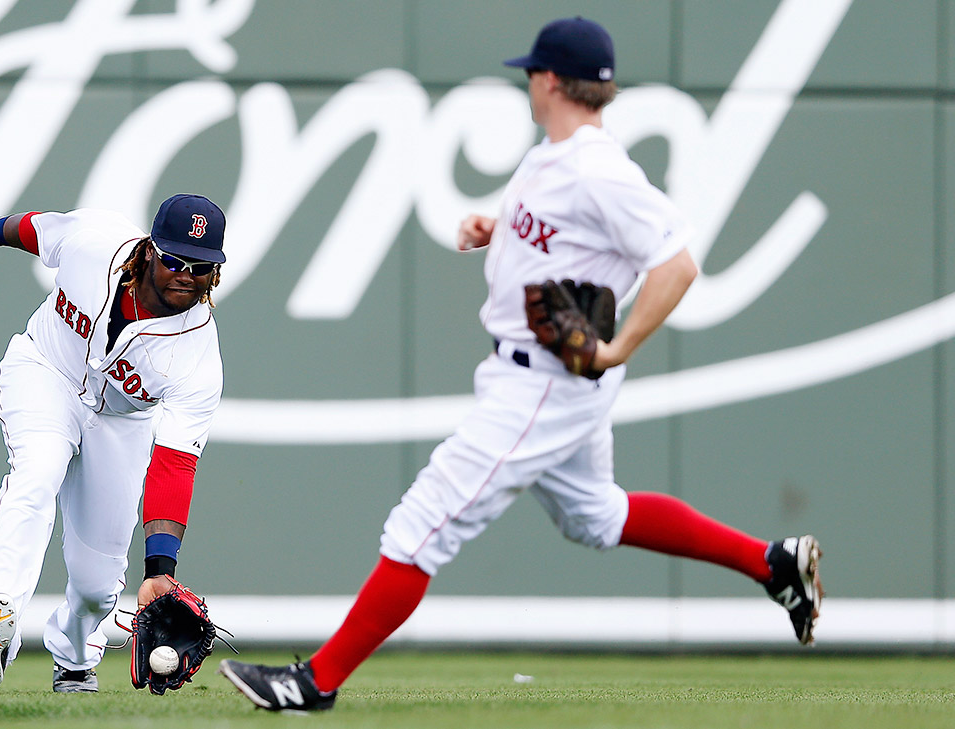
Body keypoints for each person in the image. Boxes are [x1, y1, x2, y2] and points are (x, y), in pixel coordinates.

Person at [219, 17, 822, 712]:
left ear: (547, 80)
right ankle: (772, 563)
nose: (528, 84)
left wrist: (618, 346)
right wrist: (496, 229)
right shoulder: (554, 157)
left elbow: (678, 262)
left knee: (420, 525)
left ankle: (313, 681)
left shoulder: (598, 169)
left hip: (545, 382)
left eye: (531, 74)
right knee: (595, 515)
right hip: (532, 373)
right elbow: (564, 238)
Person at [0, 194, 227, 693]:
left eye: (200, 267)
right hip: (46, 370)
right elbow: (36, 230)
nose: (185, 275)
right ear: (151, 250)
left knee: (96, 584)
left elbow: (175, 464)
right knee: (37, 472)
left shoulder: (198, 355)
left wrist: (160, 570)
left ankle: (75, 655)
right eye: (175, 259)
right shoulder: (96, 242)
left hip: (121, 424)